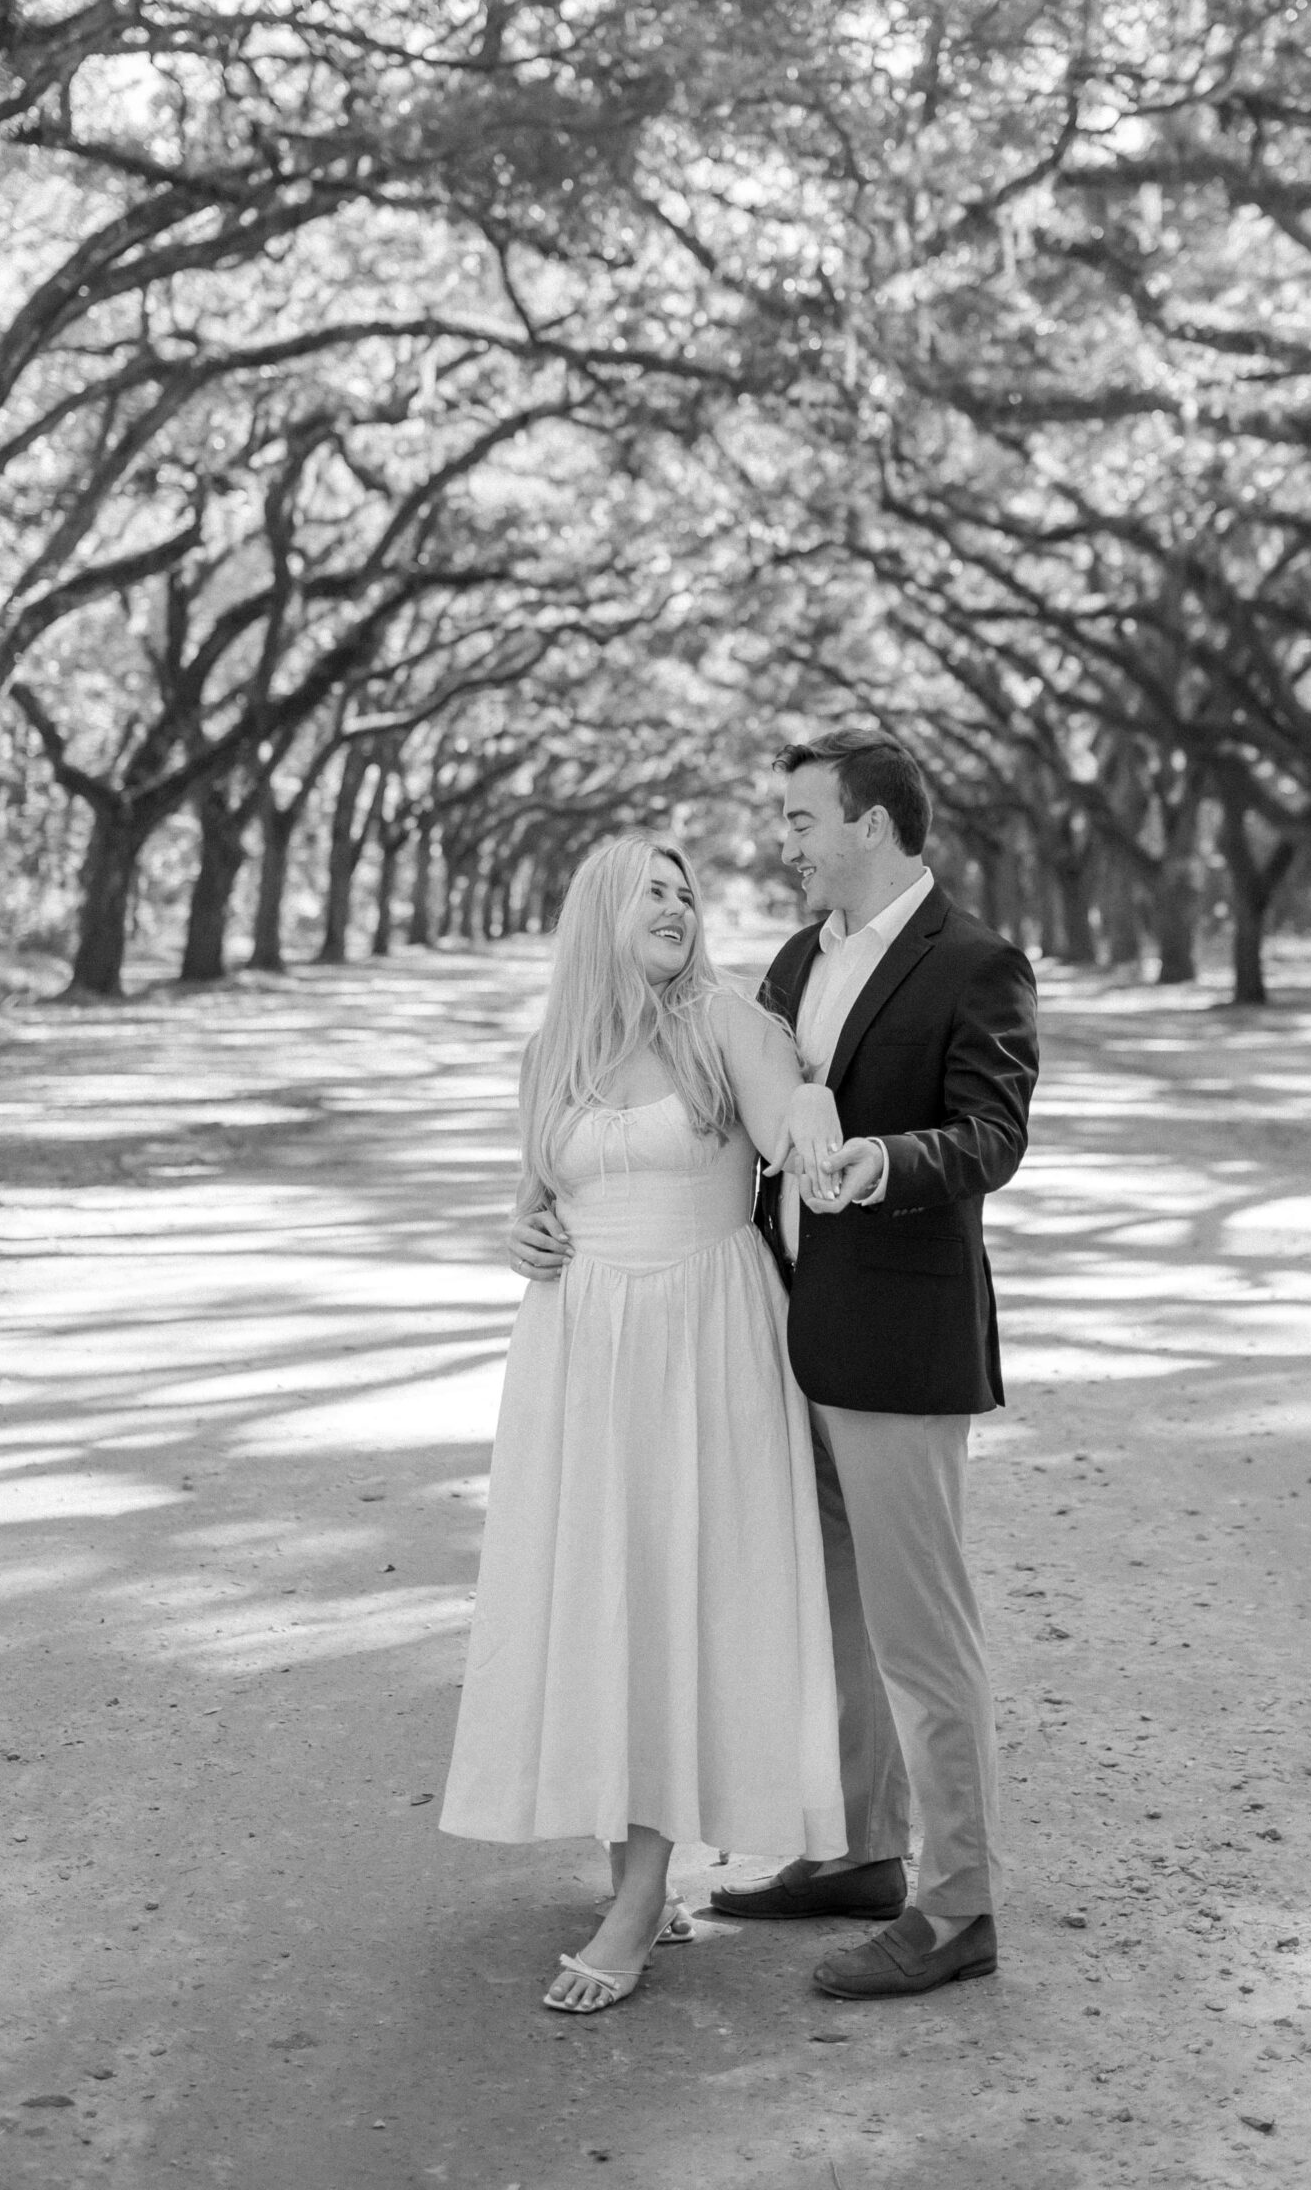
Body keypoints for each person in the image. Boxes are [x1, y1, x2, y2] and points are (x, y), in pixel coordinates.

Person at [441, 832, 847, 2016]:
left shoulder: (724, 1027)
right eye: (651, 890)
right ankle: (639, 1881)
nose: (675, 904)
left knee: (675, 1602)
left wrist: (823, 1121)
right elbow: (533, 1204)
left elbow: (794, 1144)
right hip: (579, 1356)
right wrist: (515, 1234)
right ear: (599, 912)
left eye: (685, 892)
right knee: (607, 1603)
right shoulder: (551, 1055)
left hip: (703, 1346)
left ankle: (636, 1899)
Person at [713, 730, 1039, 1999]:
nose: (783, 840)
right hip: (798, 1324)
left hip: (902, 1342)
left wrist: (888, 1163)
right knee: (835, 1611)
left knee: (920, 1630)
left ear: (873, 824)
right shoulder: (797, 959)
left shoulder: (975, 963)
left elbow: (990, 1136)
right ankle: (857, 1853)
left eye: (800, 818)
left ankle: (958, 1905)